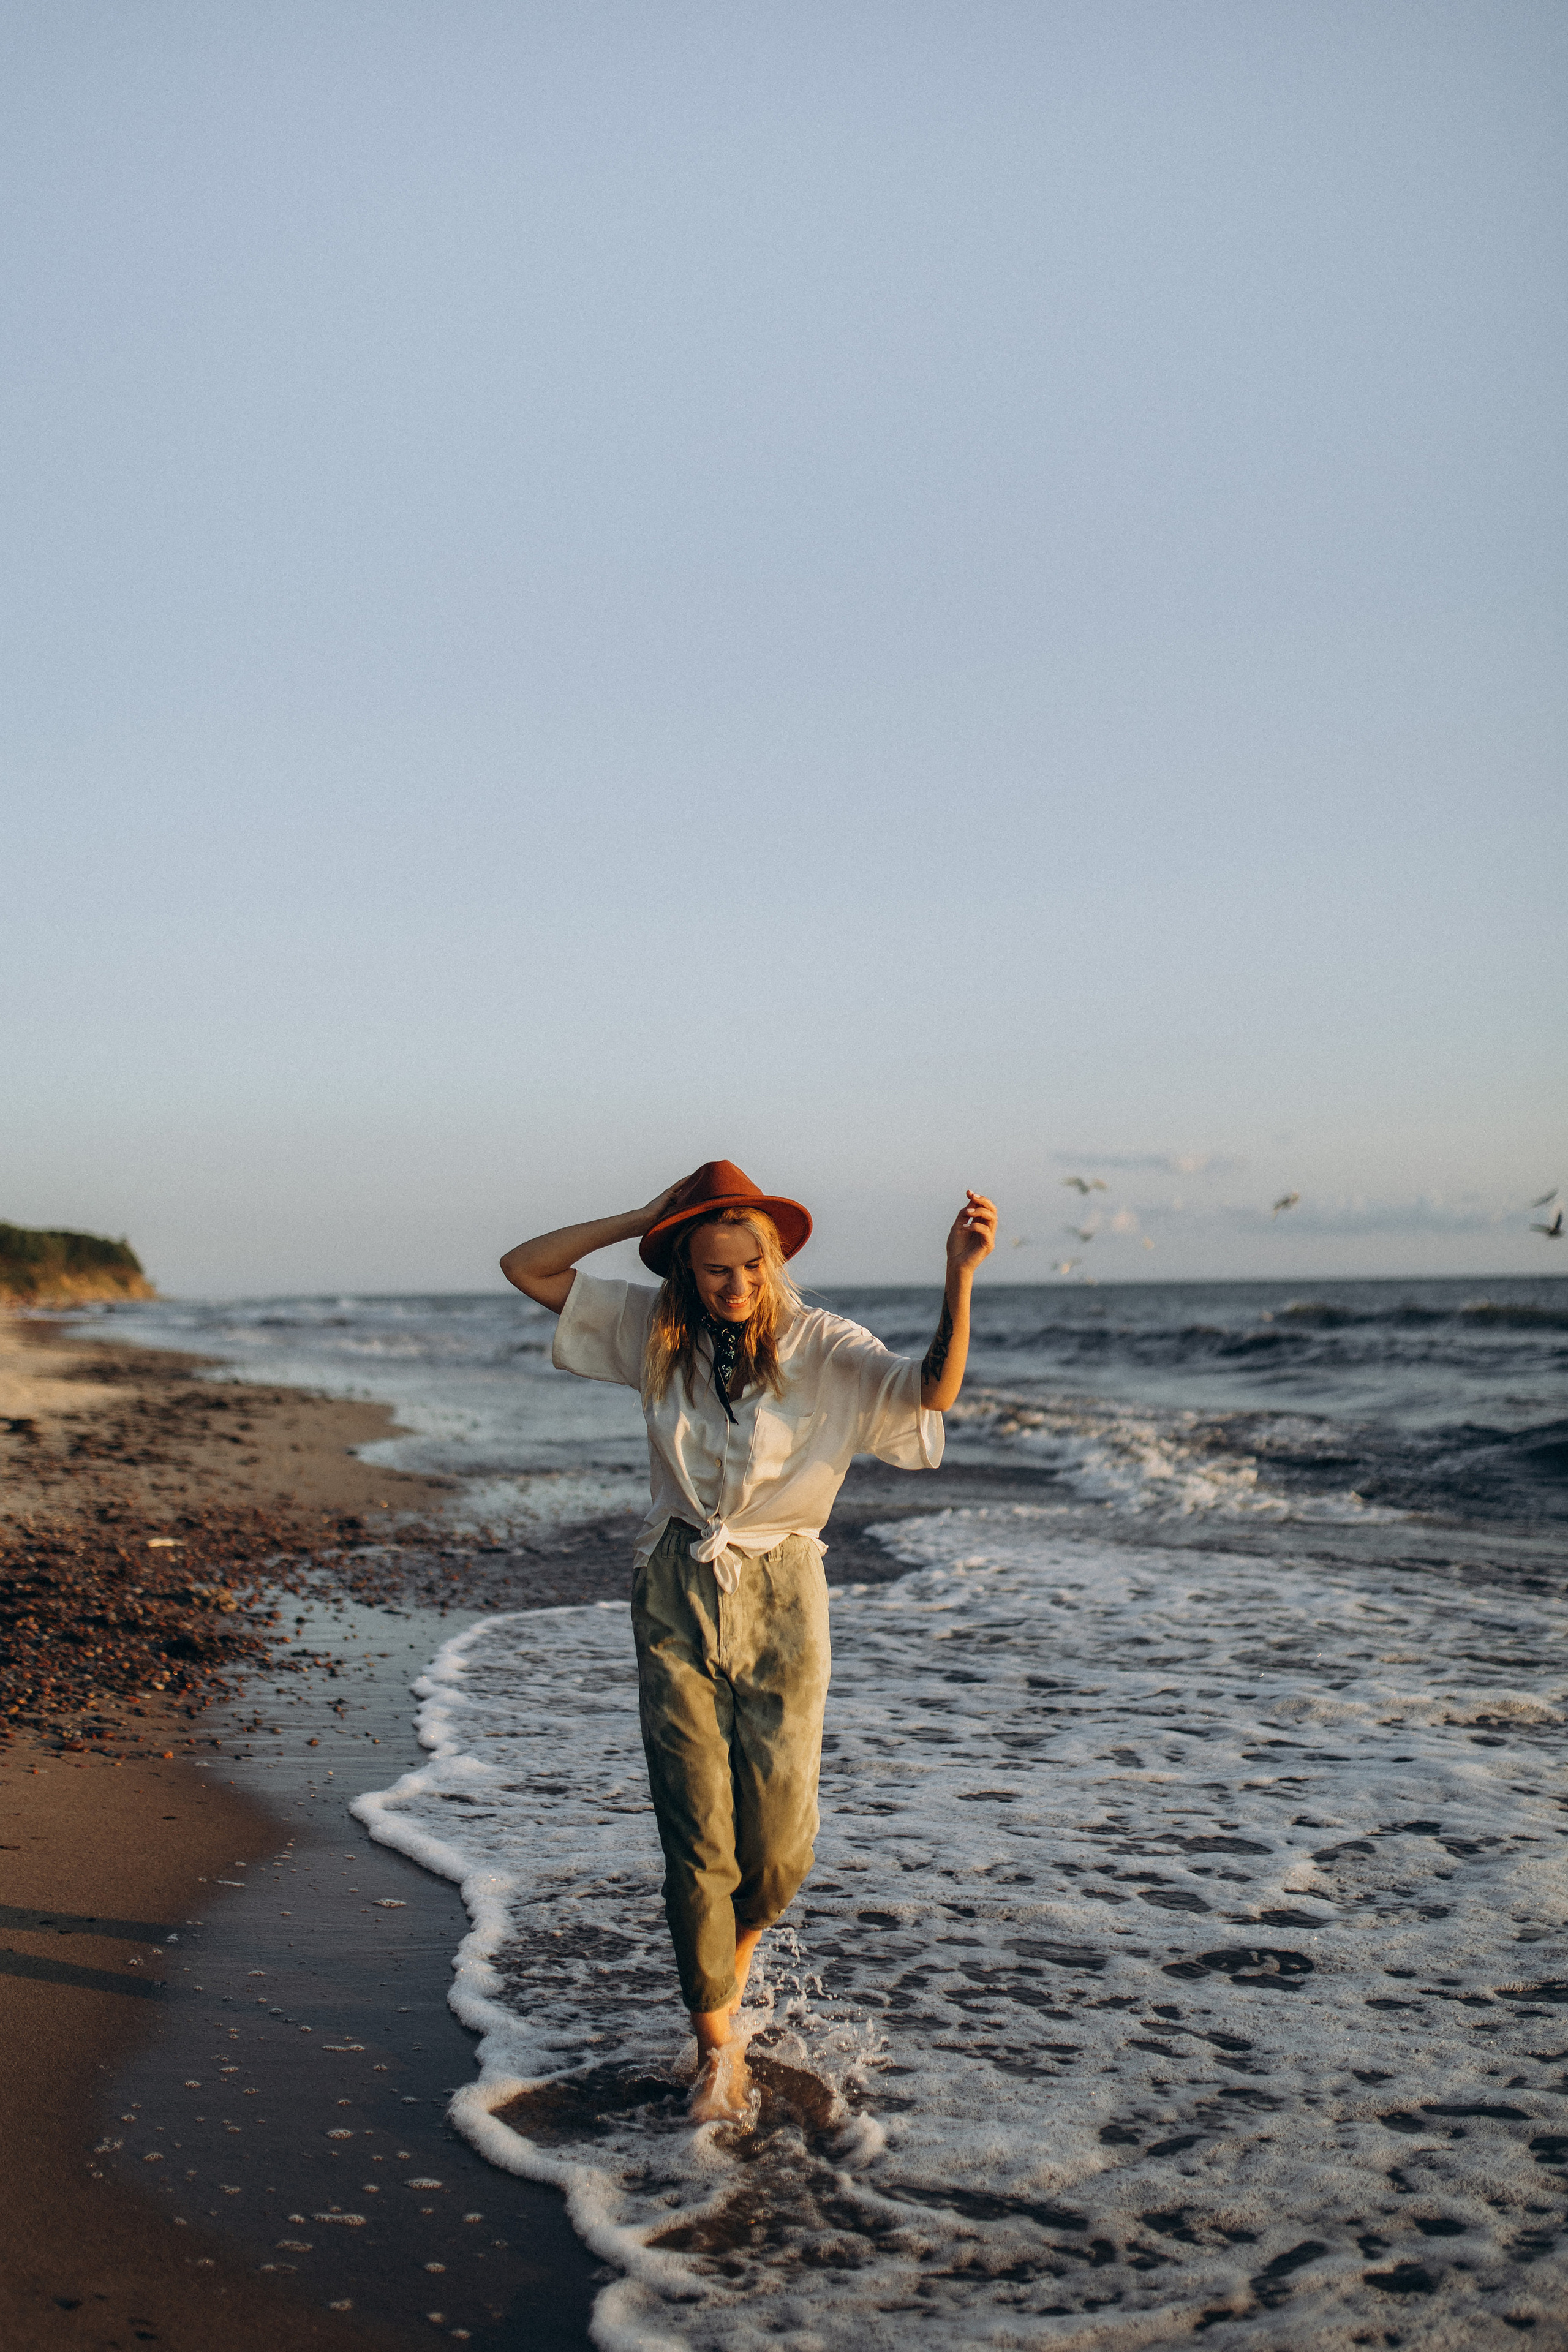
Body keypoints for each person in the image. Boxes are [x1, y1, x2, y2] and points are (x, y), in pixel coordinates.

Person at [500, 1159, 997, 2122]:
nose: (735, 1287)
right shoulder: (654, 1331)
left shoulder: (825, 1344)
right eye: (714, 1269)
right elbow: (526, 1266)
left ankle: (729, 1960)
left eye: (750, 1266)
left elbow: (931, 1393)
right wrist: (648, 1217)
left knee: (776, 1856)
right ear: (686, 1272)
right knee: (696, 1837)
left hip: (784, 1593)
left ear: (777, 1260)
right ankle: (716, 2049)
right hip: (676, 1583)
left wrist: (959, 1275)